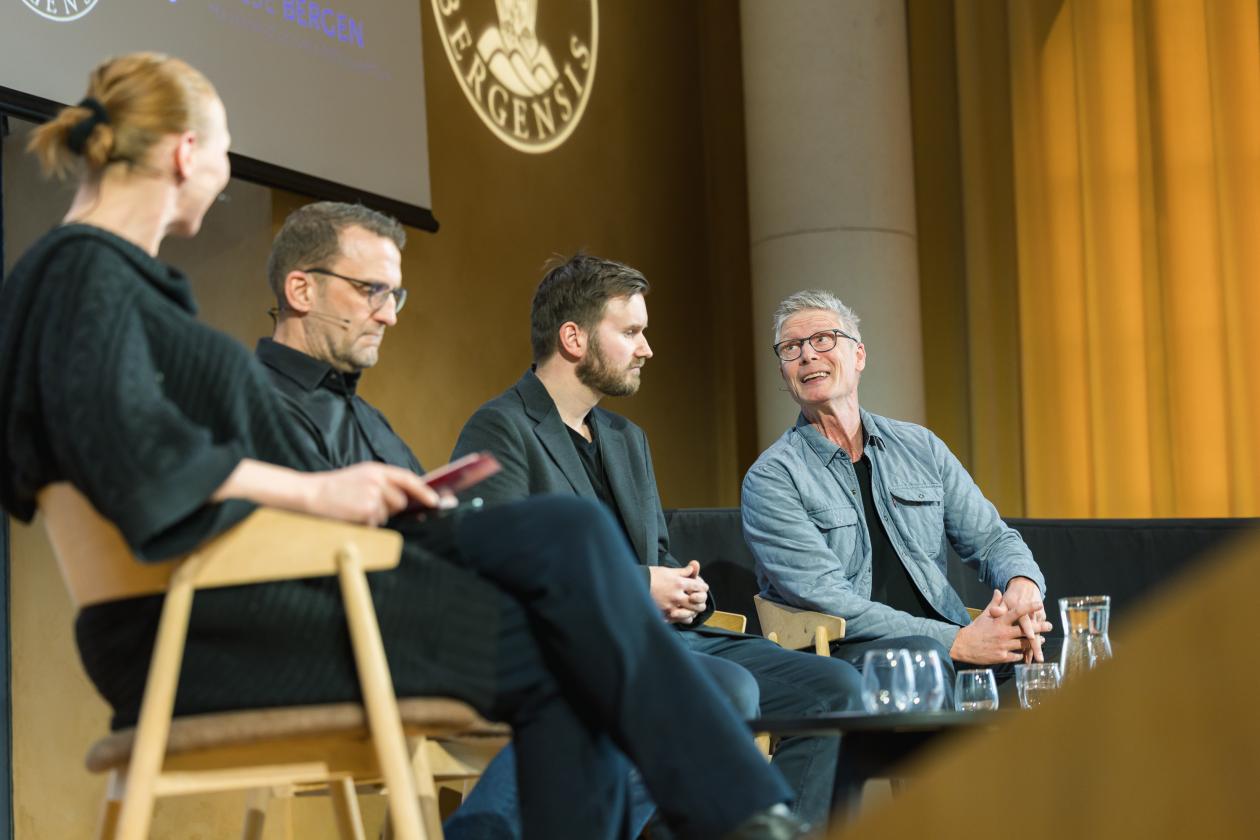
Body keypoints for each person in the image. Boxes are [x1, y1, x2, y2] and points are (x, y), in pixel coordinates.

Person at [0, 53, 807, 840]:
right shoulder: (83, 276)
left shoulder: (104, 280)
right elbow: (133, 459)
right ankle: (745, 812)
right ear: (187, 153)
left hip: (255, 607)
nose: (223, 167)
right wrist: (320, 493)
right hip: (214, 634)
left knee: (572, 561)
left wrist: (377, 499)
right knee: (575, 609)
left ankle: (742, 812)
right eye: (223, 149)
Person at [452, 255, 864, 832]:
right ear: (573, 338)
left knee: (837, 688)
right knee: (730, 688)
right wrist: (641, 584)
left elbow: (656, 552)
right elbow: (491, 564)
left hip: (668, 636)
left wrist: (683, 587)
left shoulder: (627, 439)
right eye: (631, 332)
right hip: (577, 645)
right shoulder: (501, 427)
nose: (646, 349)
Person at [740, 289, 1053, 682]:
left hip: (947, 640)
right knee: (925, 661)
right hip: (849, 655)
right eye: (791, 347)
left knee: (1049, 653)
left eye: (823, 339)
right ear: (784, 374)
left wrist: (1022, 585)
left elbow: (991, 540)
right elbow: (830, 601)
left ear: (859, 356)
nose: (807, 355)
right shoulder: (772, 479)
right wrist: (955, 642)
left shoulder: (921, 447)